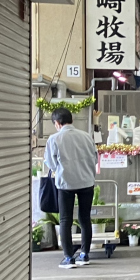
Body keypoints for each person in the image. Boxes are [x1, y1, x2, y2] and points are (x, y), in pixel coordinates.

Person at [43, 107, 99, 269]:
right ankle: (84, 254)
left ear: (57, 123)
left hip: (65, 183)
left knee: (65, 220)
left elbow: (50, 162)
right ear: (72, 120)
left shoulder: (54, 139)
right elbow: (95, 158)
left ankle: (68, 257)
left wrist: (61, 170)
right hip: (86, 182)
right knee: (85, 218)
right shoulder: (86, 136)